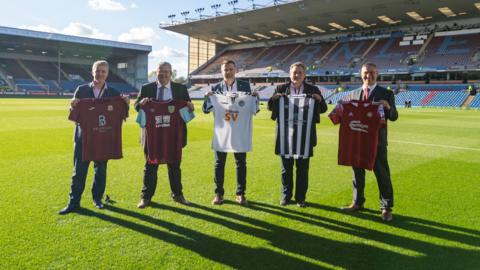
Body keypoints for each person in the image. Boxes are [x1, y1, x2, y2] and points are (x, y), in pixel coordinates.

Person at [59, 60, 129, 215]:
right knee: (79, 171)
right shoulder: (81, 89)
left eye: (103, 71)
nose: (100, 74)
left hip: (103, 139)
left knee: (101, 170)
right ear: (92, 72)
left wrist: (126, 104)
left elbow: (123, 115)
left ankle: (97, 199)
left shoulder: (114, 93)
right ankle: (73, 202)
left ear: (107, 73)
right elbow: (73, 113)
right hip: (83, 138)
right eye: (98, 71)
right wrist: (72, 104)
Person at [341, 62, 398, 221]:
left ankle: (386, 207)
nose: (368, 75)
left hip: (377, 142)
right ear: (361, 74)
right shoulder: (353, 95)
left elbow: (394, 117)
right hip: (357, 141)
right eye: (366, 73)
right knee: (357, 174)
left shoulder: (386, 93)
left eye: (371, 72)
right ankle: (357, 202)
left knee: (382, 174)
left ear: (377, 73)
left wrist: (388, 107)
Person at [268, 62, 327, 207]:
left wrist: (319, 99)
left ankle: (301, 198)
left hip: (304, 137)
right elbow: (270, 107)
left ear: (304, 75)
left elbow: (323, 109)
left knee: (302, 169)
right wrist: (274, 99)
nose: (297, 75)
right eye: (294, 72)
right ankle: (286, 196)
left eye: (300, 72)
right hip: (285, 136)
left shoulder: (313, 89)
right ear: (290, 73)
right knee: (285, 169)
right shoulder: (281, 88)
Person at [135, 62, 194, 208]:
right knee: (150, 166)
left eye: (167, 72)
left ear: (171, 73)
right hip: (152, 136)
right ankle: (146, 197)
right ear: (156, 72)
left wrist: (191, 107)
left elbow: (188, 107)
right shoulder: (146, 88)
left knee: (174, 165)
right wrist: (141, 104)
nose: (164, 74)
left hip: (173, 135)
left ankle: (178, 195)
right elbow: (136, 106)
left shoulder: (180, 89)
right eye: (161, 72)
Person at [202, 59, 257, 205]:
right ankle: (218, 194)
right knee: (219, 163)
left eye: (231, 69)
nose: (228, 72)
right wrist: (208, 98)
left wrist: (255, 97)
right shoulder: (215, 88)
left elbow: (254, 108)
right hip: (222, 132)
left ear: (236, 70)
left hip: (239, 132)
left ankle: (240, 194)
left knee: (241, 163)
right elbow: (206, 110)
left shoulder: (245, 87)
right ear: (221, 71)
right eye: (225, 70)